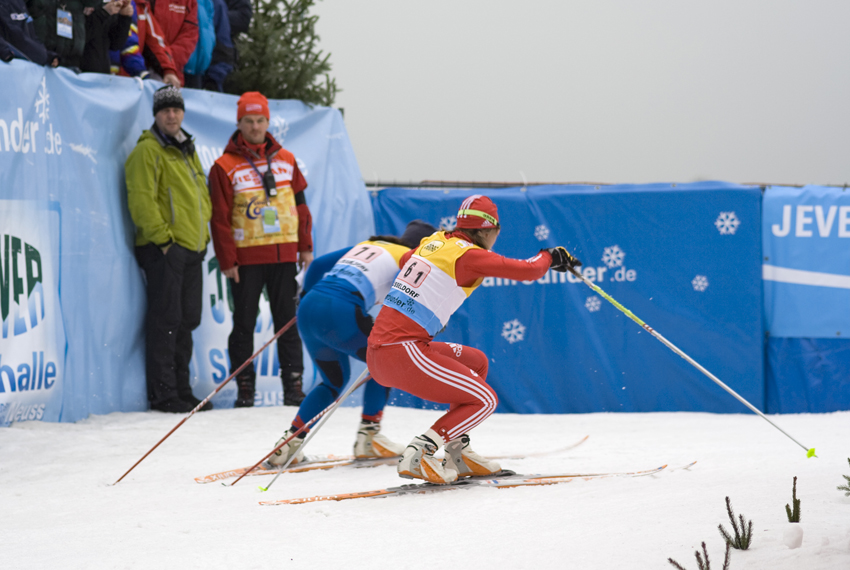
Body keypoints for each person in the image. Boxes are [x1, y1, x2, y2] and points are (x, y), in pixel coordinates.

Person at [366, 195, 582, 484]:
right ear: (488, 230)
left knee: (476, 362)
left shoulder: (436, 241)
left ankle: (458, 452)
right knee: (485, 399)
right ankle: (421, 450)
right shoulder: (469, 255)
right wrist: (550, 256)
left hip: (388, 350)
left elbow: (408, 259)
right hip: (402, 352)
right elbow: (527, 270)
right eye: (497, 232)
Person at [267, 220, 438, 467]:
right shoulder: (410, 259)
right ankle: (368, 437)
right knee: (385, 362)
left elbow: (316, 265)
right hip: (341, 309)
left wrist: (305, 297)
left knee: (333, 380)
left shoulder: (369, 244)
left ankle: (289, 443)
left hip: (310, 306)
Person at [208, 91, 313, 409]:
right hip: (246, 259)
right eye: (249, 121)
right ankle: (245, 389)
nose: (255, 126)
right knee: (243, 324)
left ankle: (293, 387)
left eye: (260, 120)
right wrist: (228, 260)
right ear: (238, 123)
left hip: (283, 257)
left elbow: (301, 206)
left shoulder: (287, 160)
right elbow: (219, 218)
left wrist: (305, 246)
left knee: (287, 322)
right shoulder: (223, 166)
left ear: (268, 122)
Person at [125, 85, 213, 413]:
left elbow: (201, 197)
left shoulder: (186, 148)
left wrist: (201, 238)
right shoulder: (148, 151)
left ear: (183, 113)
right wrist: (163, 240)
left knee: (187, 319)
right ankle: (164, 395)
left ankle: (182, 389)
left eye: (176, 110)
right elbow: (141, 199)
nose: (171, 115)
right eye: (165, 111)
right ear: (156, 115)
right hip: (164, 248)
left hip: (192, 248)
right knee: (167, 319)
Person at [0, 0, 58, 66]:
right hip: (10, 63)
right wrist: (43, 55)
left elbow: (31, 35)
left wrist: (46, 54)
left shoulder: (20, 3)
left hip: (26, 63)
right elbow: (13, 36)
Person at [80, 0, 132, 74]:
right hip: (76, 71)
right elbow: (80, 37)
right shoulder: (75, 4)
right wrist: (104, 13)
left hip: (101, 72)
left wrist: (124, 17)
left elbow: (115, 44)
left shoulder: (107, 3)